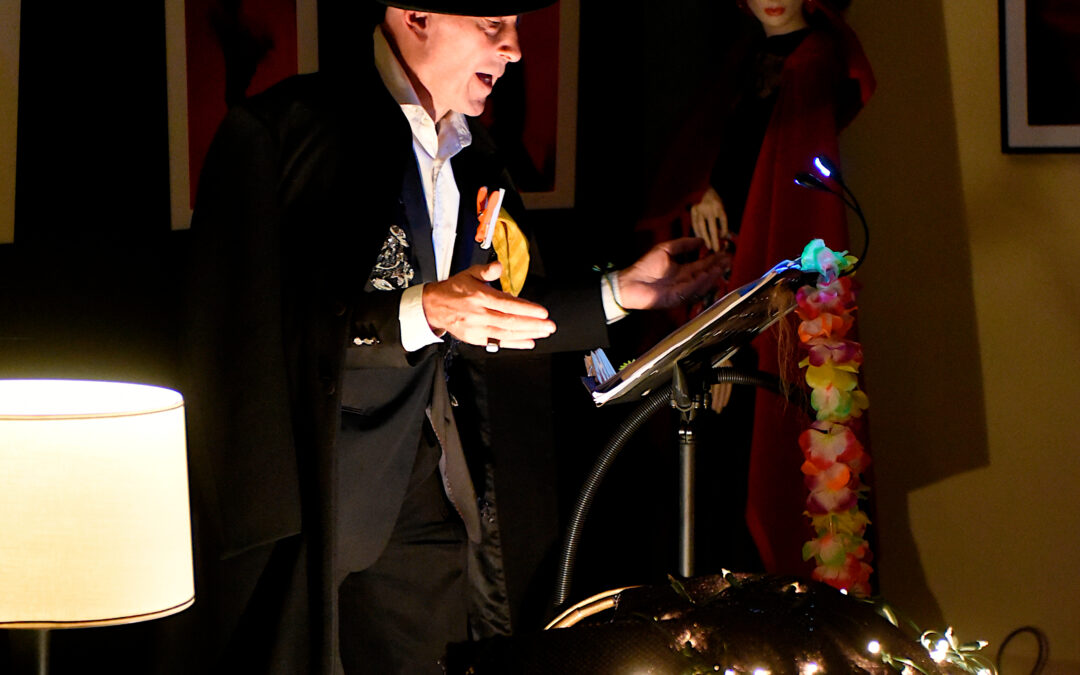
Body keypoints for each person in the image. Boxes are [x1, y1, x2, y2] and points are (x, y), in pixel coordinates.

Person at [183, 1, 725, 673]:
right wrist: (423, 310)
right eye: (494, 25)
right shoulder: (284, 131)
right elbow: (244, 336)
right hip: (315, 503)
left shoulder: (477, 155)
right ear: (415, 17)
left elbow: (498, 307)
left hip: (437, 497)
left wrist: (622, 291)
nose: (515, 48)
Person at [665, 0, 875, 577]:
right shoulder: (741, 56)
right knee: (717, 472)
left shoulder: (813, 61)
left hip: (769, 302)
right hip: (722, 283)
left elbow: (792, 215)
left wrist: (735, 331)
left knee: (761, 461)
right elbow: (716, 156)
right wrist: (700, 188)